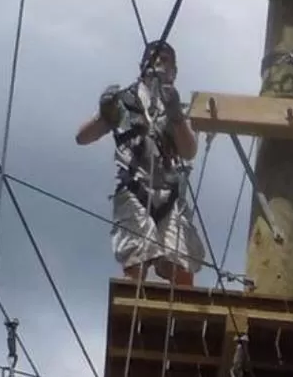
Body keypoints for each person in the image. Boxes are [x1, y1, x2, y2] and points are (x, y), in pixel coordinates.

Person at [75, 39, 206, 286]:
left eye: (165, 60)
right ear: (142, 65)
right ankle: (133, 308)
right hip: (134, 188)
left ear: (174, 72)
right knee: (136, 255)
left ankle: (183, 316)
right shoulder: (124, 102)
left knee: (181, 261)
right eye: (153, 58)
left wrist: (176, 115)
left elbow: (189, 151)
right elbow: (82, 137)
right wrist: (105, 114)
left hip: (169, 193)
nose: (158, 63)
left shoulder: (176, 107)